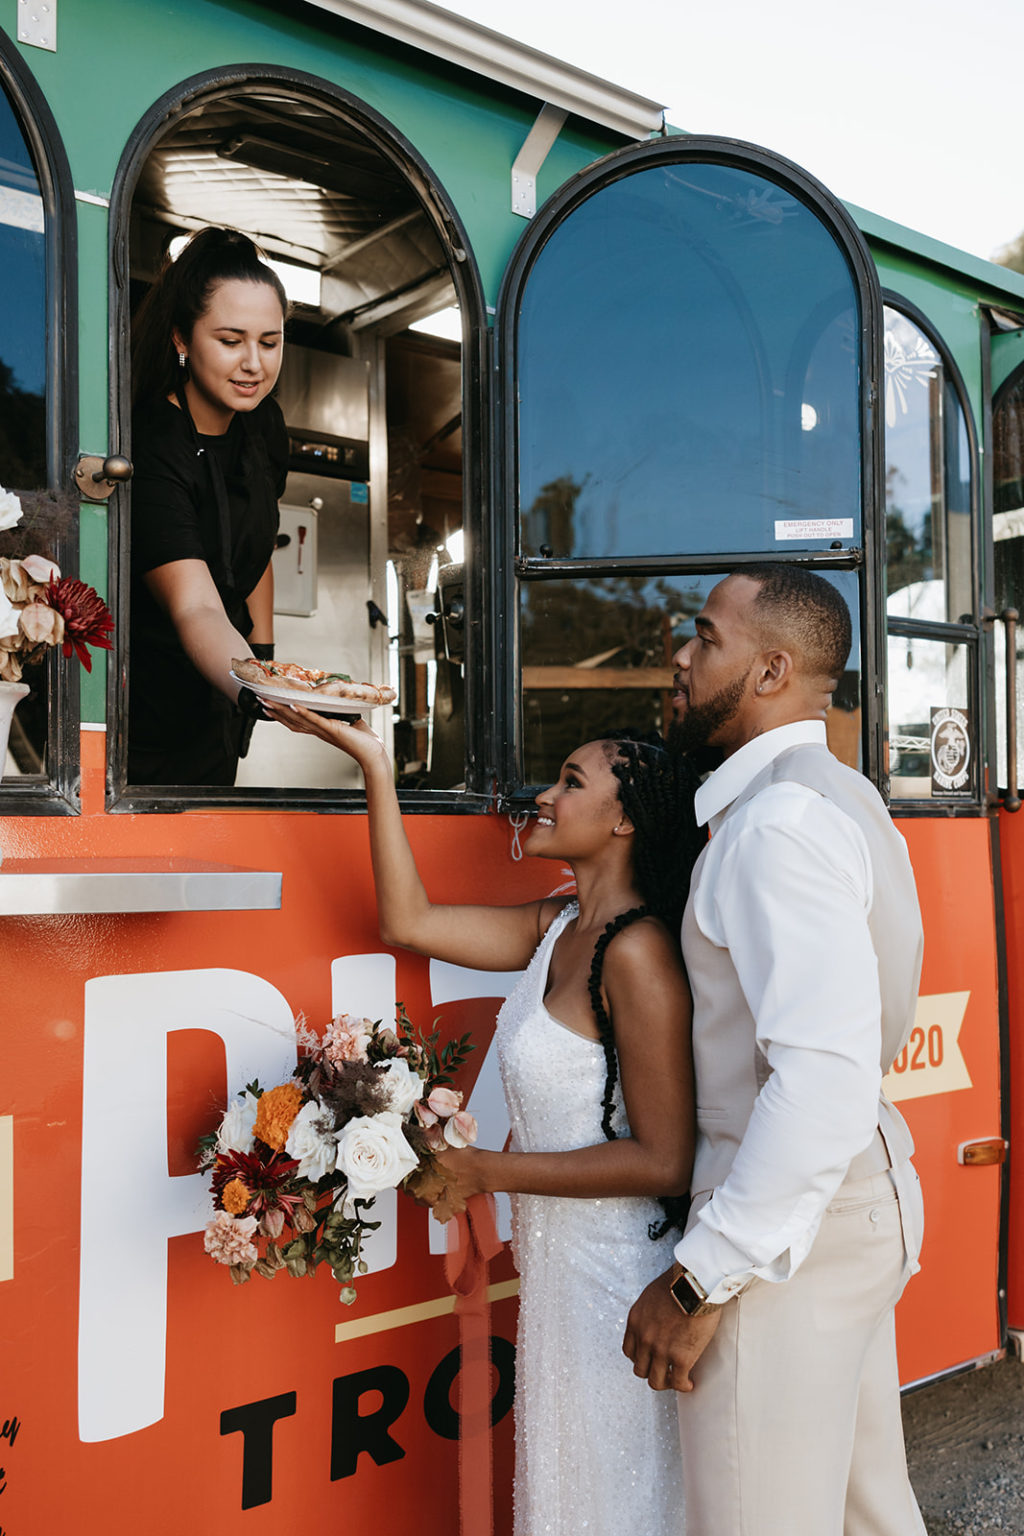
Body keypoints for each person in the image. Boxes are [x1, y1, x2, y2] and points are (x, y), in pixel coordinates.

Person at [263, 700, 701, 1536]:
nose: (545, 794)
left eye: (571, 782)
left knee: (617, 1507)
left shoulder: (638, 954)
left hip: (616, 1286)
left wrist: (487, 1173)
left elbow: (665, 1160)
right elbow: (409, 921)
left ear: (624, 823)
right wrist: (375, 768)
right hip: (559, 1280)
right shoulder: (559, 927)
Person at [623, 564, 927, 1536]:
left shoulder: (773, 827)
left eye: (705, 638)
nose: (680, 655)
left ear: (770, 670)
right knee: (866, 1511)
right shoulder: (843, 795)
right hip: (845, 1200)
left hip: (782, 1228)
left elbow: (820, 1077)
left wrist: (699, 1277)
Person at [128, 226, 290, 784]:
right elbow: (195, 607)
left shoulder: (264, 423)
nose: (253, 363)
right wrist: (260, 687)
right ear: (181, 339)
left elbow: (258, 535)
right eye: (230, 340)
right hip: (149, 710)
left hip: (225, 693)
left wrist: (265, 652)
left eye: (269, 342)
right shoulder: (154, 446)